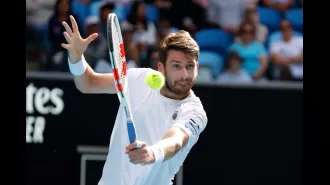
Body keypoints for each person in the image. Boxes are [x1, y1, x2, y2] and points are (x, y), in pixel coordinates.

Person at [61, 15, 208, 185]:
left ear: (197, 67)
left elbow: (175, 140)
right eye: (176, 66)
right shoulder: (138, 78)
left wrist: (152, 153)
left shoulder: (195, 112)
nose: (184, 75)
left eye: (190, 66)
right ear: (161, 68)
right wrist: (76, 57)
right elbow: (88, 83)